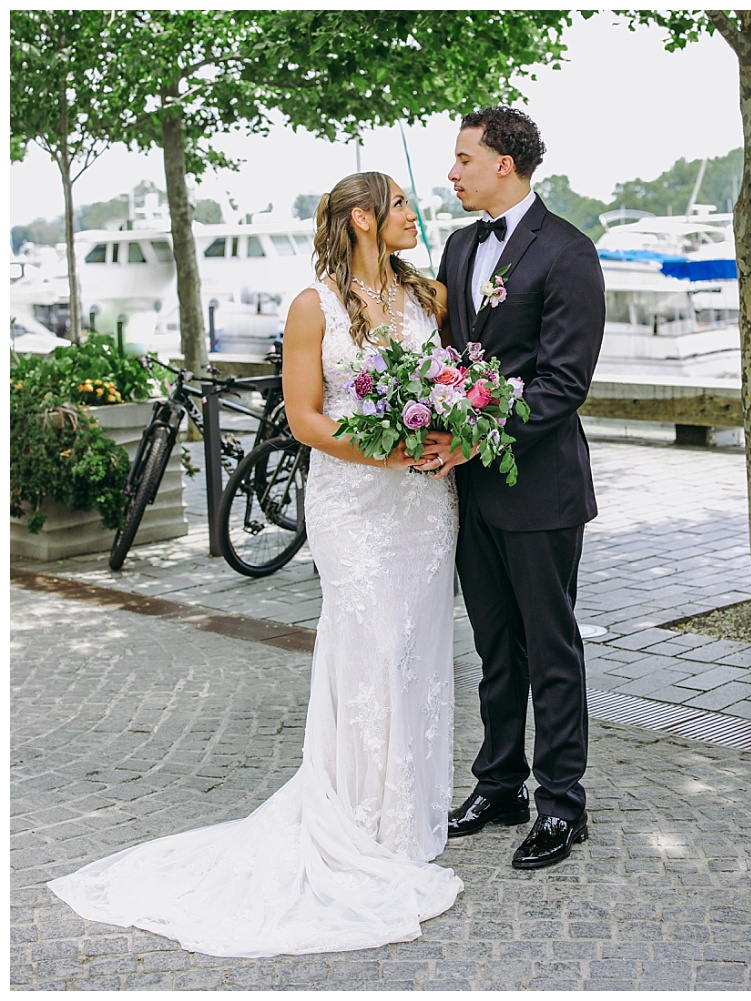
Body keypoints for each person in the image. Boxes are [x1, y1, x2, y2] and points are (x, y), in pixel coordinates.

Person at [47, 172, 463, 957]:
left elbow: (446, 387)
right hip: (354, 505)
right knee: (366, 646)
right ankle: (359, 816)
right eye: (403, 205)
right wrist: (387, 450)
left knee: (416, 651)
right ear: (365, 219)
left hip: (422, 511)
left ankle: (410, 810)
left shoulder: (429, 299)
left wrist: (441, 436)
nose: (416, 215)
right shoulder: (314, 306)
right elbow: (306, 418)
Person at [425, 106, 605, 870]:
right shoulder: (459, 245)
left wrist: (470, 432)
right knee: (496, 647)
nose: (452, 171)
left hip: (541, 488)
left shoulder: (568, 252)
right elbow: (443, 359)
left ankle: (563, 801)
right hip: (471, 492)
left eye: (464, 157)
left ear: (505, 163)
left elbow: (564, 383)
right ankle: (499, 783)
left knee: (549, 646)